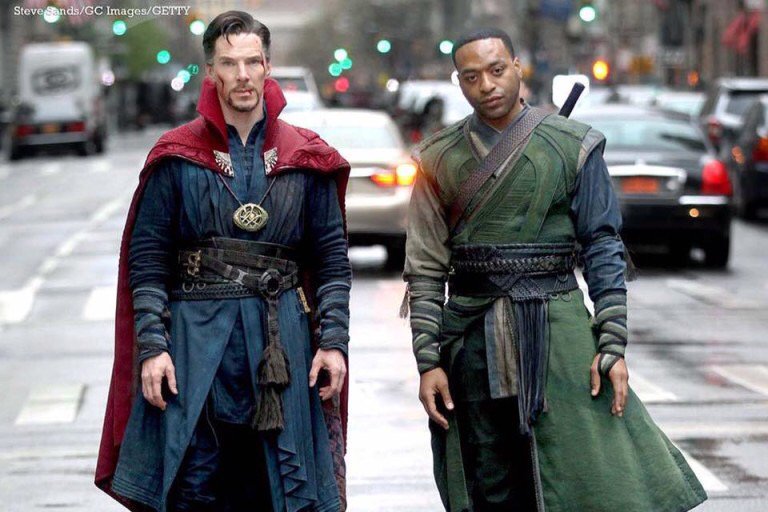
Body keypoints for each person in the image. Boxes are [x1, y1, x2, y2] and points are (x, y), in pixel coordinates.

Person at [403, 27, 707, 512]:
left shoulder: (574, 145)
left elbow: (603, 246)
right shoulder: (438, 158)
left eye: (497, 70)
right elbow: (424, 268)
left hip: (559, 335)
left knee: (580, 479)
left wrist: (612, 344)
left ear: (517, 67)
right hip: (471, 343)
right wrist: (428, 362)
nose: (487, 85)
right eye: (472, 77)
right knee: (487, 484)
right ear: (458, 82)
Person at [95, 11, 351, 512]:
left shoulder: (305, 156)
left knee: (279, 488)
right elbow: (148, 260)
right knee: (195, 485)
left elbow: (331, 262)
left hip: (281, 345)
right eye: (229, 64)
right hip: (194, 346)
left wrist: (334, 343)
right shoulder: (177, 156)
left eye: (252, 62)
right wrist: (153, 347)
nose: (243, 75)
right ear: (211, 71)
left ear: (267, 66)